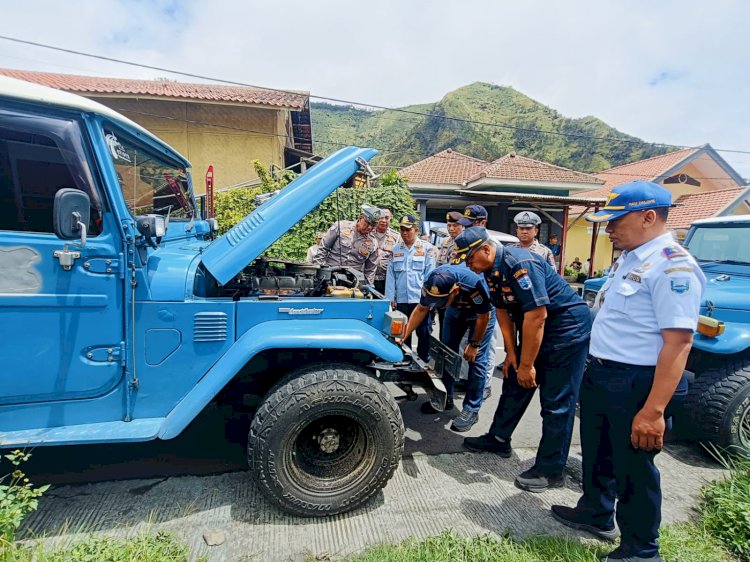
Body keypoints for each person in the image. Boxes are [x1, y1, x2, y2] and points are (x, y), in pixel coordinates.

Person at [550, 181, 705, 562]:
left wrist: (653, 412)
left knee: (634, 468)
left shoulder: (672, 265)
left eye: (616, 221)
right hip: (604, 374)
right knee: (598, 452)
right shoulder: (633, 258)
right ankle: (596, 512)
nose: (609, 229)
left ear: (649, 217)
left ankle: (641, 549)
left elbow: (678, 343)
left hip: (638, 383)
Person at [453, 226, 592, 493]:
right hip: (536, 329)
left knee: (556, 402)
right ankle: (498, 438)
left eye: (469, 258)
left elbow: (537, 315)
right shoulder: (491, 272)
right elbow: (504, 312)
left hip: (565, 331)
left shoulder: (520, 263)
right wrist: (513, 356)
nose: (467, 265)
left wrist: (528, 365)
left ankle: (551, 470)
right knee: (514, 381)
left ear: (486, 249)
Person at [400, 265, 496, 431]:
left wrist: (474, 344)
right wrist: (403, 336)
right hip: (455, 310)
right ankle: (446, 398)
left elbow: (484, 316)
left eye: (440, 302)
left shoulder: (474, 284)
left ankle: (471, 409)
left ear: (455, 291)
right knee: (446, 354)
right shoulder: (431, 282)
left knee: (476, 359)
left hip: (480, 315)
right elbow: (421, 308)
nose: (437, 305)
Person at [385, 215, 437, 361]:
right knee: (401, 334)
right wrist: (390, 298)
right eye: (402, 229)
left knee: (424, 333)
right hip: (402, 299)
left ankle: (423, 362)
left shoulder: (427, 249)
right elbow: (391, 276)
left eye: (408, 229)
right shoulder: (396, 249)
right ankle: (404, 362)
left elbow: (430, 275)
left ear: (416, 229)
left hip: (421, 300)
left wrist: (430, 300)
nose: (404, 233)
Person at [314, 205, 382, 285]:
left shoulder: (373, 243)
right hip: (330, 277)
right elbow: (323, 249)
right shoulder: (340, 227)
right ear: (360, 218)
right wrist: (320, 274)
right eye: (367, 223)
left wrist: (367, 288)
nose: (370, 227)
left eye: (373, 225)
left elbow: (370, 271)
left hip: (352, 282)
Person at [372, 208, 400, 294]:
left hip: (387, 280)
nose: (384, 220)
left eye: (387, 218)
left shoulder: (397, 237)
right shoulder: (368, 233)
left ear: (390, 219)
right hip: (368, 278)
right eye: (381, 217)